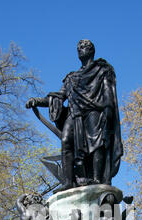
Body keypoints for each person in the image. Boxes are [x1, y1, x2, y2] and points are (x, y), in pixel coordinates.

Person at [26, 39, 123, 191]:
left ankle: (97, 179)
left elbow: (108, 95)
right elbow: (59, 96)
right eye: (78, 47)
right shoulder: (72, 77)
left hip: (94, 111)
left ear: (91, 50)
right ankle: (68, 182)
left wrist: (108, 113)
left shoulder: (102, 70)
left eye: (84, 47)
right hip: (75, 113)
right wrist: (37, 101)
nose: (80, 49)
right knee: (65, 141)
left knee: (96, 144)